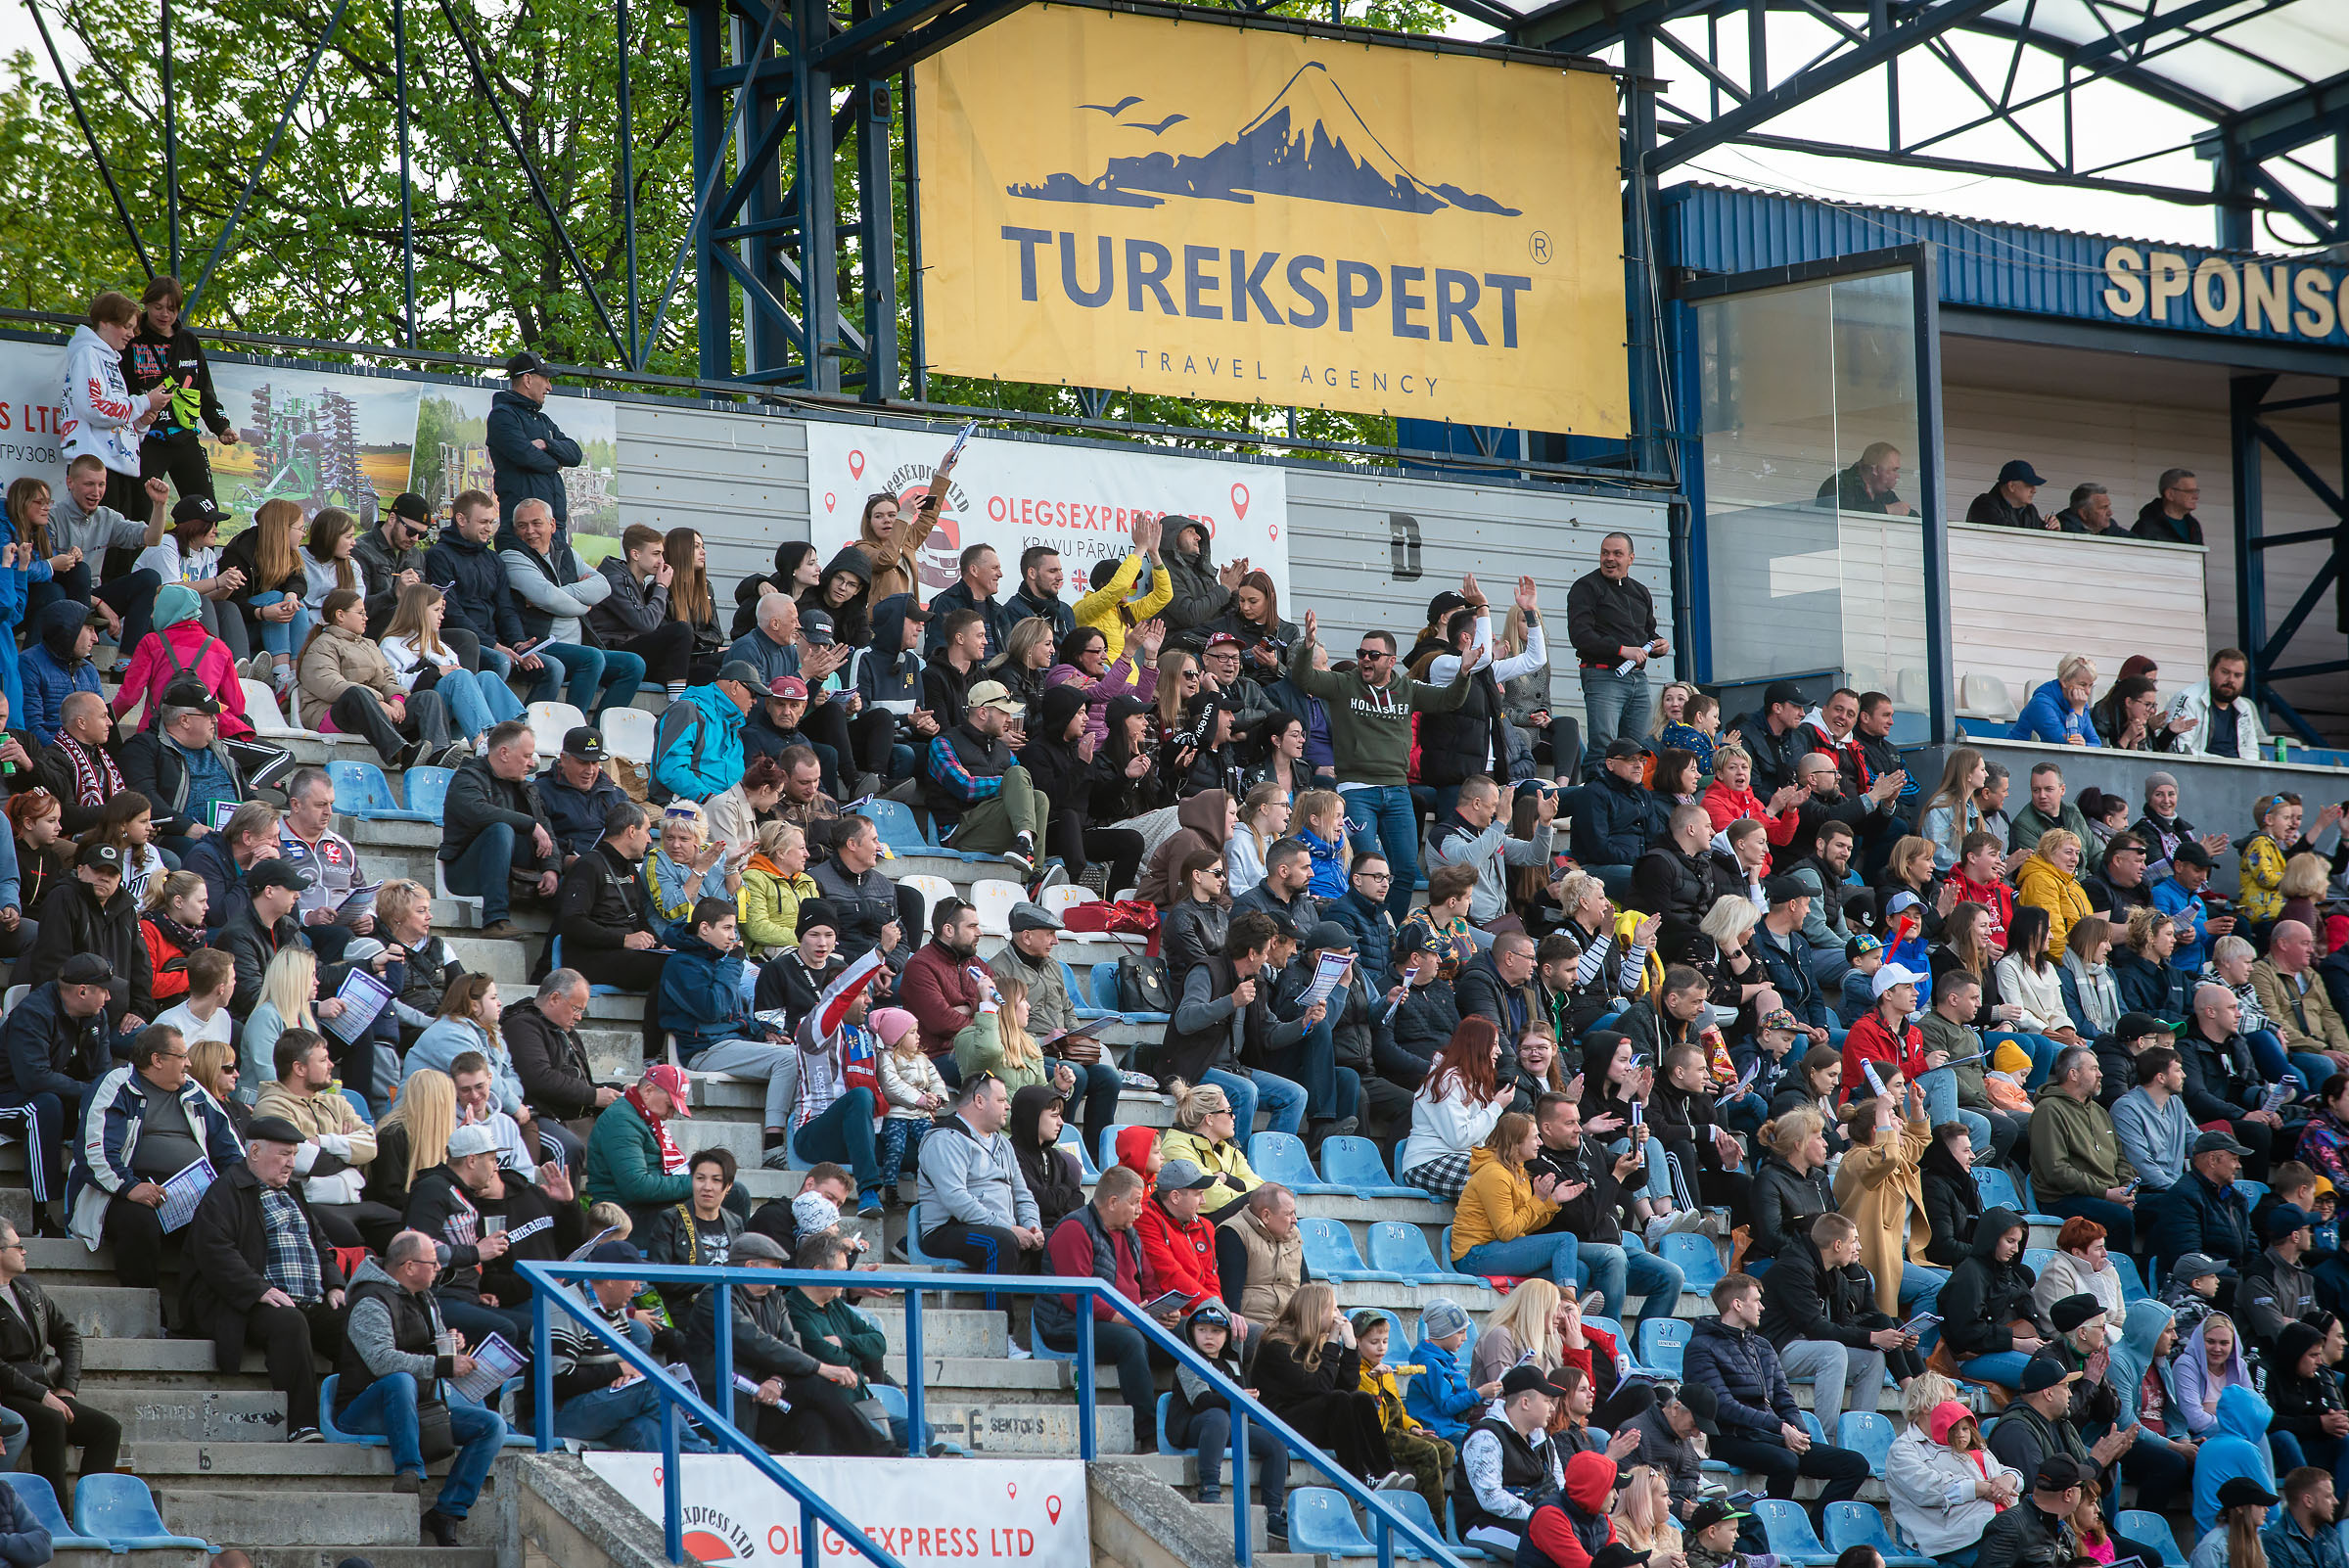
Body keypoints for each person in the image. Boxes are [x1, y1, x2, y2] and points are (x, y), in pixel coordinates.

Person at [333, 1229, 508, 1541]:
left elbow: (434, 1352)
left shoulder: (425, 1298)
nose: (439, 1268)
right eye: (433, 1262)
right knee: (398, 1379)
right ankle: (409, 1470)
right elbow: (382, 1362)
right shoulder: (369, 1300)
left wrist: (450, 1346)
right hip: (362, 1409)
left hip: (420, 1408)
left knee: (492, 1425)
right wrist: (443, 1364)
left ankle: (447, 1512)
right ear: (410, 1266)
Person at [184, 1116, 347, 1443]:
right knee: (289, 1323)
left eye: (294, 1154)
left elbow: (321, 1242)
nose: (291, 1163)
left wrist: (334, 1284)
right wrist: (258, 1289)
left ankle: (350, 1416)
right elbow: (215, 1250)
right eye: (284, 1153)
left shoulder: (293, 1191)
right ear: (255, 1151)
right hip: (249, 1305)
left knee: (353, 1324)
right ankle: (302, 1425)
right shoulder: (226, 1191)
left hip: (310, 1300)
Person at [69, 1021, 246, 1288]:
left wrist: (233, 1194)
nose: (188, 1064)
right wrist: (130, 1187)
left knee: (223, 1226)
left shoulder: (194, 1092)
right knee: (139, 1222)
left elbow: (231, 1150)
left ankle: (198, 1316)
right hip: (123, 1192)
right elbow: (95, 1152)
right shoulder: (117, 1085)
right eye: (182, 1056)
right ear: (157, 1060)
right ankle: (146, 1308)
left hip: (193, 1195)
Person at [680, 1229, 887, 1455]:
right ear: (750, 1267)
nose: (781, 1272)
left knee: (814, 1421)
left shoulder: (774, 1300)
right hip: (728, 1407)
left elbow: (790, 1346)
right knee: (818, 1382)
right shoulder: (714, 1297)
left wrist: (777, 1381)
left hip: (769, 1401)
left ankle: (820, 1484)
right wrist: (822, 1368)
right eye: (775, 1265)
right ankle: (883, 1452)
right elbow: (758, 1343)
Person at [1685, 1272, 1870, 1519]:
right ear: (1737, 1304)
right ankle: (1774, 1524)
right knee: (1785, 1461)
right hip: (1731, 1436)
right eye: (1756, 1300)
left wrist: (1799, 1431)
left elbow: (1784, 1397)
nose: (1762, 1307)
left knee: (1855, 1464)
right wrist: (1781, 1427)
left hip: (1772, 1434)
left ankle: (1815, 1528)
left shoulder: (1762, 1346)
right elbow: (1721, 1406)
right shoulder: (1701, 1346)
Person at [1034, 1165, 1171, 1450]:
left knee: (1186, 1336)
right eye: (1135, 1203)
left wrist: (1162, 1309)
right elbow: (1076, 1295)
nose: (1140, 1211)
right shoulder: (1074, 1229)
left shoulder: (1130, 1233)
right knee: (1130, 1341)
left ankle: (1186, 1424)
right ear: (1112, 1202)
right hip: (1068, 1322)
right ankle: (1147, 1434)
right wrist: (1122, 1316)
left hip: (1126, 1317)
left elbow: (1148, 1282)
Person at [537, 1237, 711, 1453]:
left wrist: (625, 1375)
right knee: (651, 1385)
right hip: (555, 1415)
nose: (638, 1288)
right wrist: (618, 1371)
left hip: (597, 1406)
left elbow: (617, 1369)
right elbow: (557, 1381)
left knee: (646, 1429)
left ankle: (676, 1483)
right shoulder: (564, 1309)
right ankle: (705, 1456)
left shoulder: (615, 1308)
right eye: (633, 1279)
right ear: (610, 1279)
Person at [0, 1215, 121, 1501]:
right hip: (9, 1392)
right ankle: (57, 1515)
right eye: (18, 1246)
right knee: (52, 1420)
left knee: (106, 1429)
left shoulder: (28, 1288)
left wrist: (67, 1387)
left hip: (44, 1387)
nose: (24, 1251)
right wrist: (43, 1395)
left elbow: (68, 1334)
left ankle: (93, 1511)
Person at [501, 500, 643, 717]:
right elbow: (548, 597)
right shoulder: (512, 556)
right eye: (522, 525)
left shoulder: (565, 552)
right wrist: (583, 606)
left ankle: (597, 734)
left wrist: (558, 592)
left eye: (536, 523)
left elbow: (603, 587)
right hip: (539, 643)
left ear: (552, 524)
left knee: (633, 664)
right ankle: (572, 733)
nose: (530, 531)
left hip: (578, 645)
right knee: (592, 658)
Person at [1168, 1303, 1287, 1539]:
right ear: (1192, 1331)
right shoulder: (1189, 1361)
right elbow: (1201, 1401)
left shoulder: (1233, 1362)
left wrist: (1248, 1400)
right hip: (1193, 1426)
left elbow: (1242, 1404)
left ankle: (1273, 1513)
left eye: (1216, 1331)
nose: (1208, 1336)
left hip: (1227, 1425)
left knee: (1275, 1442)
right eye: (1202, 1330)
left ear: (1227, 1335)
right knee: (1217, 1416)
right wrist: (1236, 1397)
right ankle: (1209, 1487)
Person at [439, 720, 560, 940]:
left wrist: (552, 869)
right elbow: (479, 812)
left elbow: (547, 830)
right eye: (526, 756)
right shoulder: (467, 777)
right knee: (500, 829)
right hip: (466, 873)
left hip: (517, 872)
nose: (531, 764)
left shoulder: (527, 787)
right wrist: (530, 825)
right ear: (504, 753)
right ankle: (495, 920)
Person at [917, 1071, 1043, 1274]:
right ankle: (997, 1308)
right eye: (1001, 1099)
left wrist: (1032, 1227)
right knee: (1001, 1242)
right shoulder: (945, 1139)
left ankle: (1045, 1307)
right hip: (946, 1230)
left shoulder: (1003, 1143)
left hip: (1001, 1229)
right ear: (979, 1101)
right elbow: (956, 1199)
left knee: (1058, 1240)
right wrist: (1008, 1229)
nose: (1008, 1105)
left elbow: (1023, 1194)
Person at [379, 582, 527, 748]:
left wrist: (461, 676)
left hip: (451, 716)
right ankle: (482, 744)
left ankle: (518, 738)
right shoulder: (391, 644)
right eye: (436, 610)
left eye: (442, 611)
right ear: (418, 611)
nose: (442, 616)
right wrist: (435, 672)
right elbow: (390, 685)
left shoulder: (441, 648)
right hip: (416, 716)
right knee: (460, 677)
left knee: (487, 677)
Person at [1885, 1393, 2022, 1560]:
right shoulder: (1905, 1448)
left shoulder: (1975, 1450)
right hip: (1955, 1536)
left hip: (1999, 1524)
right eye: (1948, 1401)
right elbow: (1928, 1489)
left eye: (1965, 1429)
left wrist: (2009, 1479)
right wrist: (1982, 1488)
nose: (1955, 1405)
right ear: (1928, 1408)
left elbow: (2002, 1472)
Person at [1939, 1207, 2056, 1386]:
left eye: (2018, 1242)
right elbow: (1966, 1332)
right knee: (2044, 1374)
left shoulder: (2011, 1274)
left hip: (2007, 1349)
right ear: (1992, 1238)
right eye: (2010, 1241)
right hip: (1973, 1357)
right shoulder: (1969, 1275)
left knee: (2066, 1366)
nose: (2016, 1249)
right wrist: (2014, 1343)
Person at [584, 1063, 696, 1229]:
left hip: (642, 1206)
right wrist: (697, 1182)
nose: (670, 1115)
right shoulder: (621, 1121)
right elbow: (636, 1187)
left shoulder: (642, 1114)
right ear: (648, 1090)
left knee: (726, 1190)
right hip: (623, 1214)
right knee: (730, 1193)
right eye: (670, 1105)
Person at [486, 349, 581, 538]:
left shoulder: (544, 420)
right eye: (546, 379)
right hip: (523, 530)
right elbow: (527, 456)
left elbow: (575, 454)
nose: (550, 387)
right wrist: (555, 464)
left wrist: (547, 444)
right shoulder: (502, 415)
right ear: (528, 380)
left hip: (554, 527)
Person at [2264, 1466, 2345, 1568]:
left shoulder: (2331, 1535)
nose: (2336, 1501)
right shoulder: (2275, 1540)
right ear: (2308, 1501)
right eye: (2328, 1496)